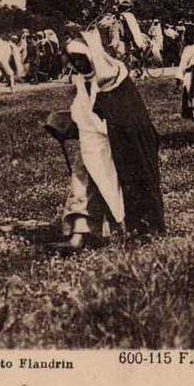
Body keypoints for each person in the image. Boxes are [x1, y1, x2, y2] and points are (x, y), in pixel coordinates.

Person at [79, 28, 164, 237]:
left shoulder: (107, 81)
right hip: (133, 135)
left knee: (137, 179)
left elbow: (97, 108)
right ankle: (144, 224)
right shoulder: (116, 74)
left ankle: (145, 225)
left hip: (130, 136)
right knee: (141, 178)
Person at [54, 38, 128, 251]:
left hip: (108, 143)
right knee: (80, 186)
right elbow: (82, 113)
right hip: (87, 144)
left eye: (81, 59)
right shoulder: (80, 82)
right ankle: (78, 235)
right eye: (73, 61)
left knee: (109, 187)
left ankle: (116, 231)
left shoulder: (107, 78)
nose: (78, 65)